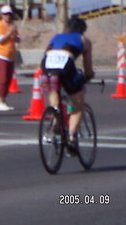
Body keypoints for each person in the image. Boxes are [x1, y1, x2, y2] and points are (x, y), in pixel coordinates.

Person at [41, 16, 95, 154]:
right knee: (78, 104)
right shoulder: (84, 40)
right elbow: (88, 69)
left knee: (54, 90)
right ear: (82, 30)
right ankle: (71, 137)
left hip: (46, 66)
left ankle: (55, 117)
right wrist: (87, 77)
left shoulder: (56, 37)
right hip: (66, 66)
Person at [0, 5, 20, 111]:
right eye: (5, 14)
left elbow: (18, 39)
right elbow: (0, 40)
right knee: (1, 79)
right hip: (1, 55)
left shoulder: (12, 26)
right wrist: (9, 32)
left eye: (9, 14)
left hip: (10, 55)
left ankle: (3, 101)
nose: (7, 16)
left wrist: (15, 34)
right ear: (2, 15)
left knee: (8, 79)